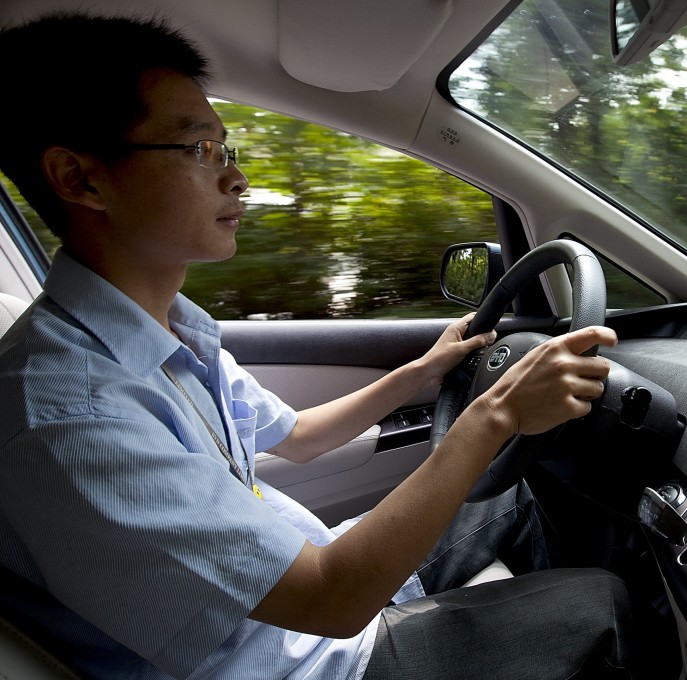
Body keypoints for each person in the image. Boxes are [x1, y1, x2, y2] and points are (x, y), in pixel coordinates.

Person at [0, 10, 637, 680]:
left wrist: (426, 367)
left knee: (511, 492)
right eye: (198, 150)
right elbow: (331, 600)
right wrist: (495, 414)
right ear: (80, 179)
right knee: (603, 605)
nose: (236, 178)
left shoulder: (170, 331)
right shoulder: (71, 417)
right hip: (301, 658)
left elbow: (298, 435)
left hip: (311, 595)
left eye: (229, 150)